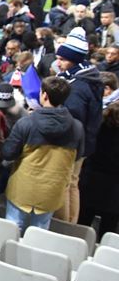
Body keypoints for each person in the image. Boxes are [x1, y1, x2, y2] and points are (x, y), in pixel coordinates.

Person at [3, 77, 85, 234]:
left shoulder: (26, 123)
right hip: (51, 193)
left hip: (22, 190)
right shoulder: (77, 128)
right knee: (39, 238)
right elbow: (77, 156)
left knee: (11, 235)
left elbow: (8, 153)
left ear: (44, 95)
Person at [56, 27, 103, 223]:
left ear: (73, 60)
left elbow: (72, 117)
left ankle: (65, 225)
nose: (58, 63)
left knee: (66, 184)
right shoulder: (88, 77)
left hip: (72, 144)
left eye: (62, 59)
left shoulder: (77, 87)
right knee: (73, 183)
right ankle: (72, 223)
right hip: (84, 142)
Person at [79, 102, 119, 238]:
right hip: (114, 192)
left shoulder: (96, 129)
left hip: (89, 183)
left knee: (81, 227)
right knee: (107, 233)